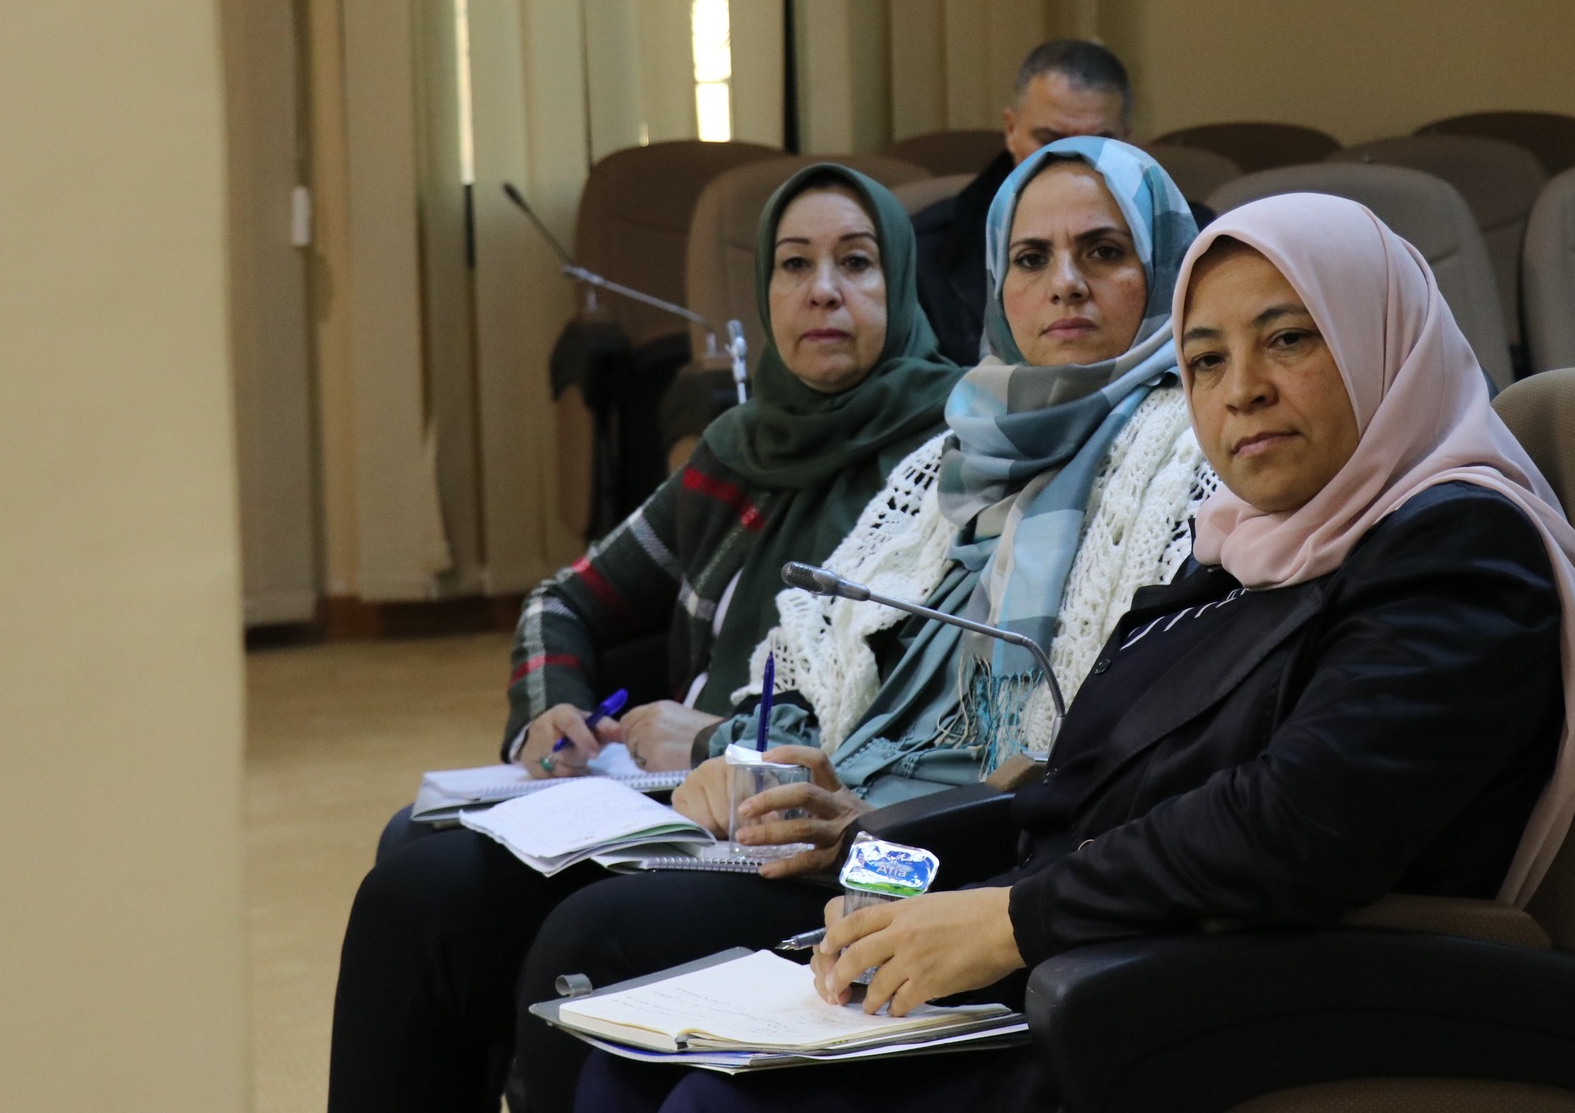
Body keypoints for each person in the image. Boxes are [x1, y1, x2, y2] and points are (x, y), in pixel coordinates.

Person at [556, 191, 1575, 1113]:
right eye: (1205, 359)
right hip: (1096, 957)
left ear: (1384, 341)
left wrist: (1007, 923)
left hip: (1210, 1005)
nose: (1240, 389)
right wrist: (875, 856)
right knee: (625, 1071)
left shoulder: (1457, 547)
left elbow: (1295, 825)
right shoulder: (1246, 552)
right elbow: (1069, 795)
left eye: (1287, 339)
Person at [507, 139, 1214, 1112]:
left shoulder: (1187, 459)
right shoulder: (961, 448)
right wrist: (755, 758)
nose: (1064, 284)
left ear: (1166, 268)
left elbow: (1096, 770)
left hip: (943, 858)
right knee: (596, 1015)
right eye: (1030, 257)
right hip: (837, 825)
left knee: (601, 942)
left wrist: (866, 831)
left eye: (1102, 251)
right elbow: (813, 646)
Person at [327, 164, 965, 1113]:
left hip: (786, 827)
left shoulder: (949, 460)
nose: (823, 290)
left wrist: (713, 740)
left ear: (900, 285)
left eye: (856, 263)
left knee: (509, 917)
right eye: (794, 264)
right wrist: (553, 708)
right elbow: (565, 599)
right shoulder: (741, 447)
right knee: (408, 887)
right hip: (659, 799)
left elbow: (893, 713)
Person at [912, 40, 1132, 364]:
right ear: (1011, 129)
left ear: (1126, 141)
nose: (1070, 160)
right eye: (1049, 141)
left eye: (1096, 144)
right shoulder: (926, 252)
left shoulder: (1184, 240)